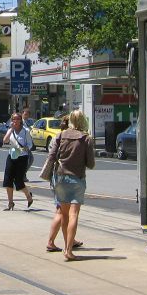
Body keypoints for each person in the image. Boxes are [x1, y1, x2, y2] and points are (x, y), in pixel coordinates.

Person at [42, 109, 94, 261]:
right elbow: (90, 163)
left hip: (60, 177)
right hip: (77, 178)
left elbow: (52, 156)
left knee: (63, 214)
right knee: (73, 214)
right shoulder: (86, 138)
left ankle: (66, 246)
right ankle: (68, 249)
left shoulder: (60, 135)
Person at [45, 115, 82, 253]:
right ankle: (58, 242)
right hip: (66, 177)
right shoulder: (68, 138)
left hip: (57, 176)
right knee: (63, 212)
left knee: (61, 210)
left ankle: (68, 240)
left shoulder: (58, 136)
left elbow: (51, 156)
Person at [2, 113, 34, 210]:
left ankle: (29, 196)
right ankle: (10, 203)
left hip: (22, 157)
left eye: (17, 119)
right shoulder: (10, 130)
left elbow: (30, 144)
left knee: (19, 182)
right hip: (12, 156)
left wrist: (26, 148)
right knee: (8, 180)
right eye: (13, 119)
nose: (15, 121)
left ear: (20, 120)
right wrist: (11, 129)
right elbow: (5, 140)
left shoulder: (25, 131)